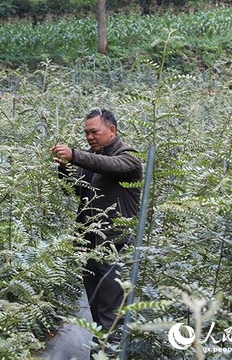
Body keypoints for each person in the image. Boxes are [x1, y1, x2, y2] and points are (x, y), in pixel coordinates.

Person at [51, 108, 142, 351]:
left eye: (94, 131)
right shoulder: (91, 159)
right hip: (88, 244)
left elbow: (109, 165)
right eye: (86, 133)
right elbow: (76, 191)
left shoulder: (128, 159)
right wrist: (64, 167)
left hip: (114, 245)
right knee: (96, 307)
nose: (89, 137)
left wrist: (75, 155)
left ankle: (106, 355)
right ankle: (102, 351)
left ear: (112, 130)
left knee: (110, 311)